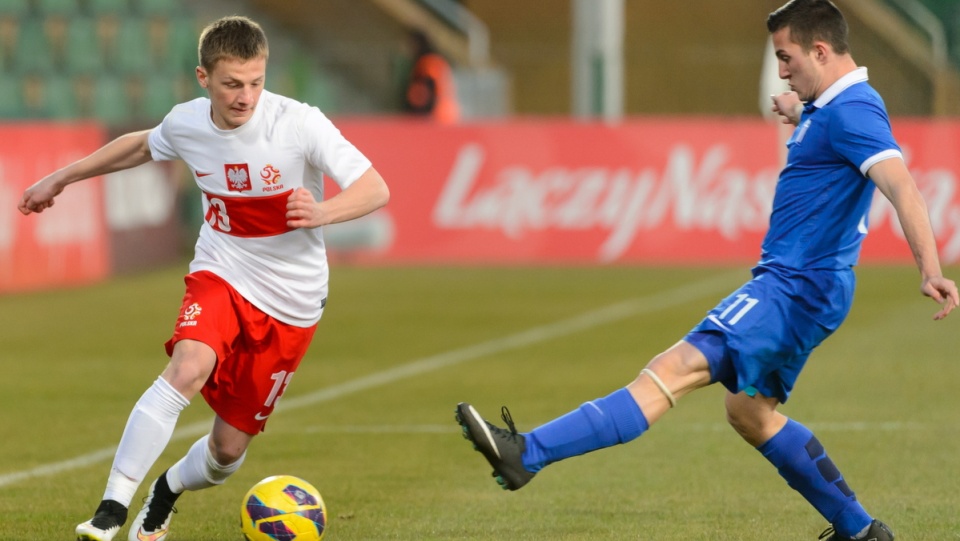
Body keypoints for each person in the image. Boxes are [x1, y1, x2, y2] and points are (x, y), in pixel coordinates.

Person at [454, 1, 958, 540]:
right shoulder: (832, 104)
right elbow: (829, 127)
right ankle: (860, 531)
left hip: (792, 288)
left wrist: (930, 267)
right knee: (750, 414)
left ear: (820, 50)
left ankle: (527, 453)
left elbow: (901, 184)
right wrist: (798, 110)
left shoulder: (854, 110)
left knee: (671, 371)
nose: (782, 69)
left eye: (787, 58)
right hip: (809, 289)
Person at [18, 16, 389, 541]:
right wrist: (60, 176)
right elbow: (140, 145)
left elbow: (375, 188)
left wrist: (324, 212)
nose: (246, 96)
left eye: (256, 82)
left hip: (294, 301)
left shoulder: (299, 123)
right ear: (203, 78)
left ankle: (166, 490)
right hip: (223, 270)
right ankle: (110, 508)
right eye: (232, 84)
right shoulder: (188, 122)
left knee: (226, 452)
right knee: (187, 366)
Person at [402, 30, 460, 124]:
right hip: (448, 114)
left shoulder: (427, 62)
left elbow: (425, 91)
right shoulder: (437, 60)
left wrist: (415, 114)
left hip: (435, 116)